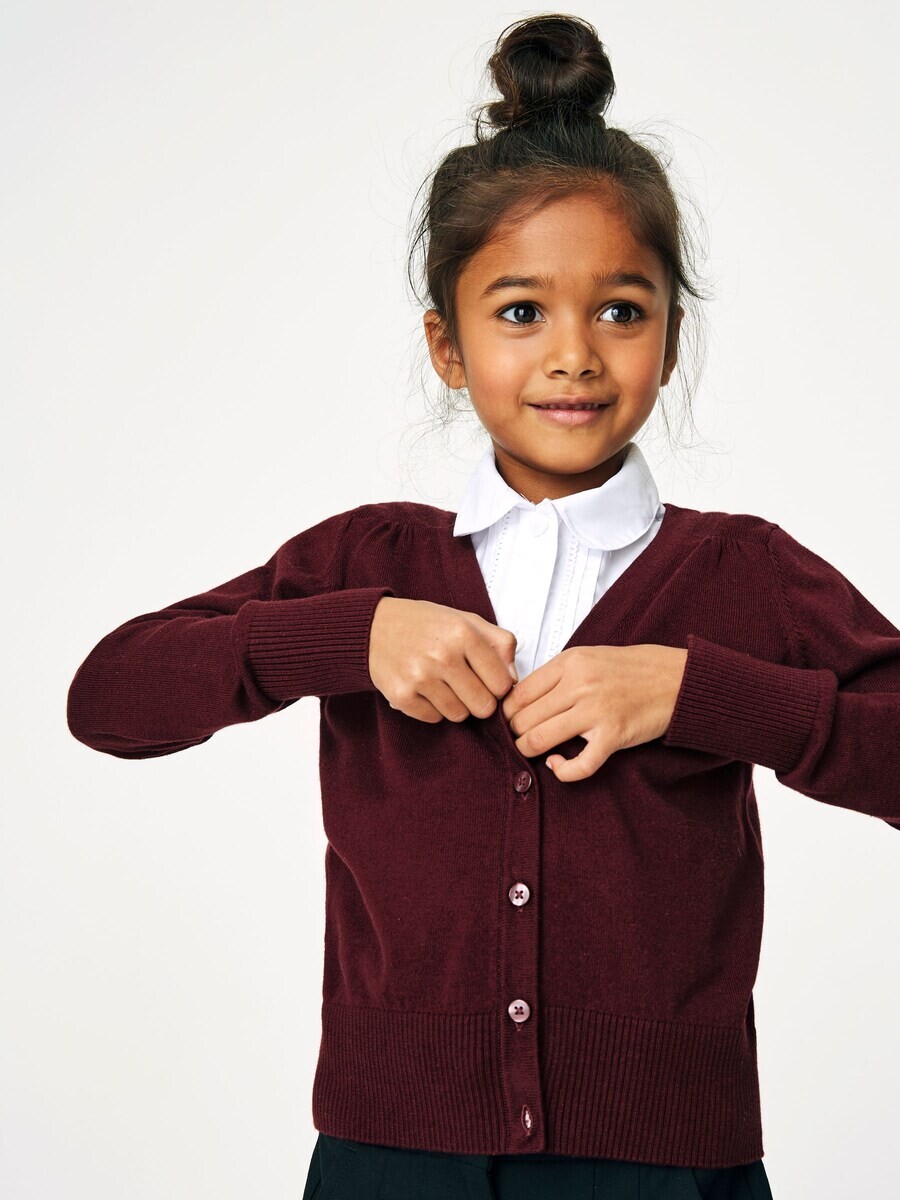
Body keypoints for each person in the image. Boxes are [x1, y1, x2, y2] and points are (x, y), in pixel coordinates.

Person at [65, 12, 900, 1200]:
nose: (574, 354)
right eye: (519, 312)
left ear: (672, 337)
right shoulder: (368, 561)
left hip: (665, 1166)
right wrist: (346, 636)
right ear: (446, 346)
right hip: (387, 1159)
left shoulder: (742, 574)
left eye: (621, 309)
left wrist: (697, 693)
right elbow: (109, 698)